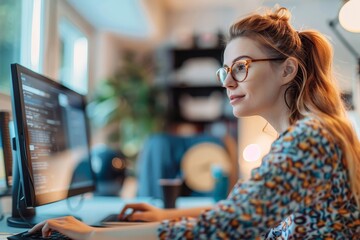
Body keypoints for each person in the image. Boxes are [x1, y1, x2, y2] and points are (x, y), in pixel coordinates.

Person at [29, 6, 360, 239]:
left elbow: (230, 226)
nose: (228, 82)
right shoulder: (304, 135)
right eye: (225, 71)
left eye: (241, 67)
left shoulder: (309, 138)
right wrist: (167, 216)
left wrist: (91, 236)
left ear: (287, 70)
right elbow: (241, 211)